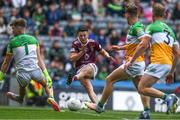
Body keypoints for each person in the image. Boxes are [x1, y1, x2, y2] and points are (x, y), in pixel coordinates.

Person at [86, 4, 151, 119]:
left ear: (128, 14)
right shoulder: (136, 26)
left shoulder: (137, 27)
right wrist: (121, 48)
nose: (124, 16)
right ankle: (147, 112)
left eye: (125, 14)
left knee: (109, 80)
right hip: (139, 63)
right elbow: (135, 44)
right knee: (141, 88)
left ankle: (100, 106)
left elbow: (145, 44)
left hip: (134, 63)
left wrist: (132, 58)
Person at [125, 3, 180, 114]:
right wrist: (171, 72)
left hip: (158, 62)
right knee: (145, 86)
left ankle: (168, 97)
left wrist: (131, 61)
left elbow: (143, 45)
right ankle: (146, 113)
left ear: (153, 14)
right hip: (168, 64)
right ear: (164, 14)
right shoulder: (170, 31)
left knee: (141, 88)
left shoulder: (152, 27)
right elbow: (177, 54)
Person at [0, 18, 60, 111]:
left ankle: (20, 98)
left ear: (19, 28)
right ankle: (51, 97)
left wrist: (1, 76)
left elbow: (6, 62)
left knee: (23, 87)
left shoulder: (12, 42)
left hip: (22, 73)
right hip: (36, 70)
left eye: (13, 28)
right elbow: (40, 59)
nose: (12, 30)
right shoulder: (34, 39)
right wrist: (47, 75)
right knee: (46, 84)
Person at [67, 26, 116, 103]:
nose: (83, 37)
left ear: (88, 35)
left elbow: (102, 51)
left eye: (84, 35)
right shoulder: (75, 44)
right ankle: (99, 106)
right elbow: (72, 58)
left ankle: (74, 78)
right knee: (89, 89)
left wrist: (108, 56)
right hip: (80, 69)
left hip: (92, 67)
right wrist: (81, 52)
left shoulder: (93, 43)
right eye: (80, 36)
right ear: (78, 35)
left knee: (88, 67)